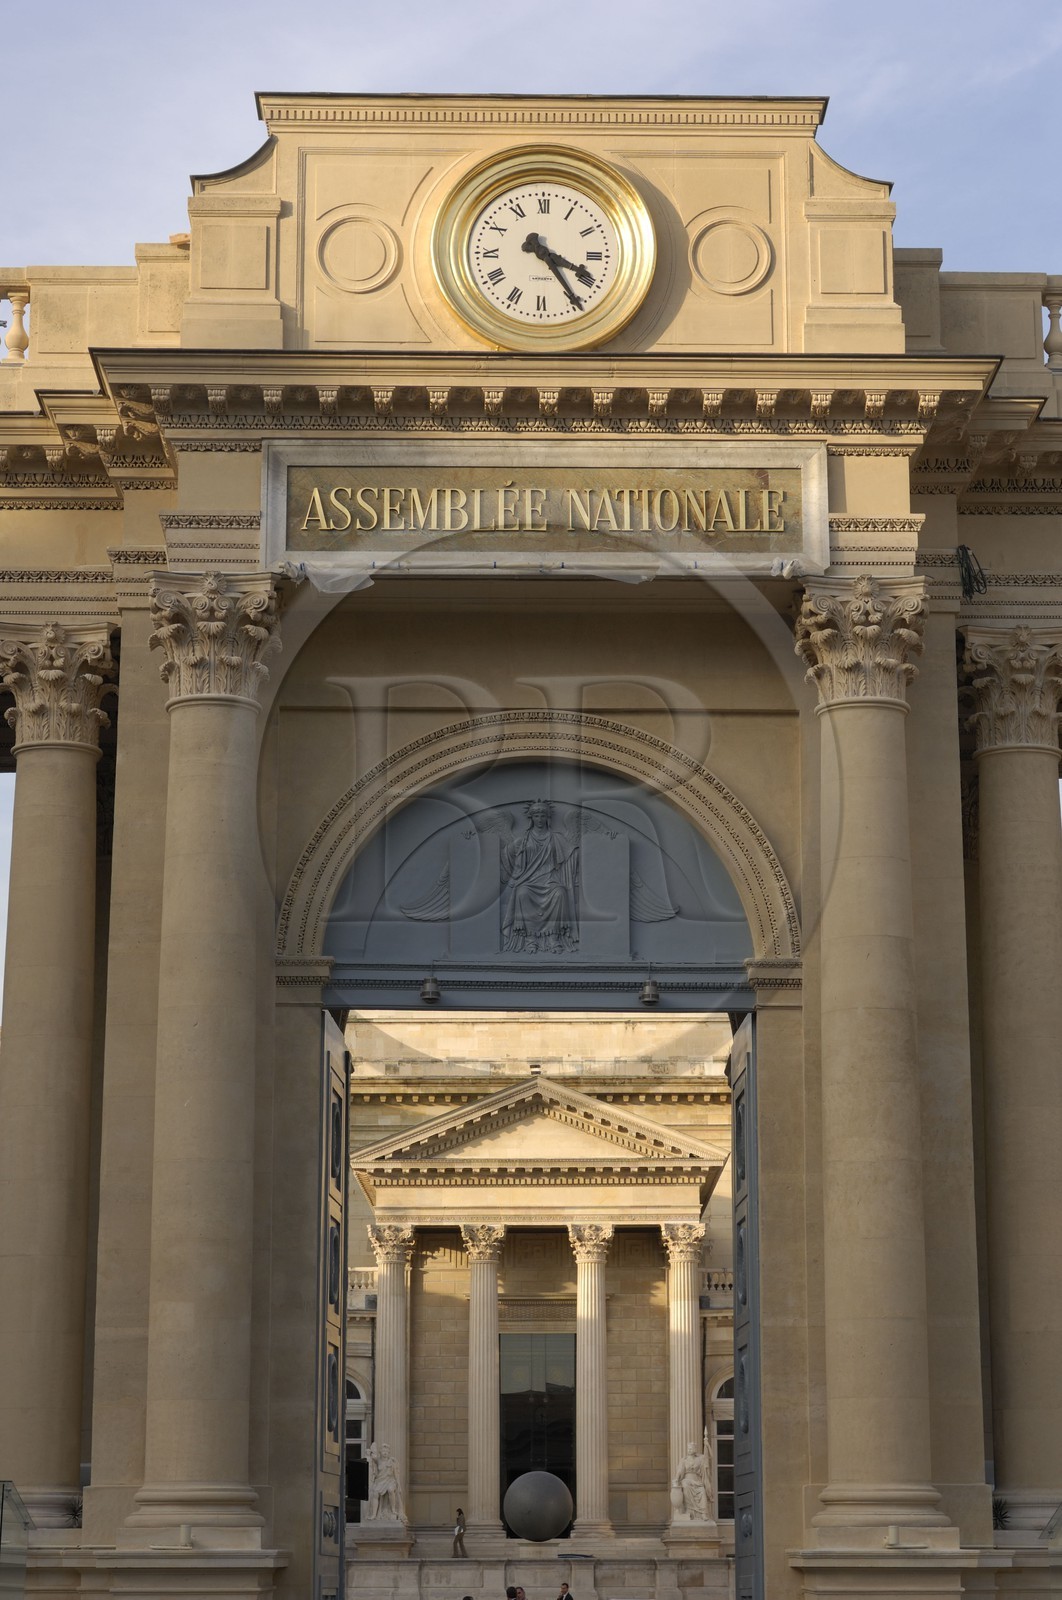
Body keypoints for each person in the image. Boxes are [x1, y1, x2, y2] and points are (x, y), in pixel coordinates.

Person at [672, 1438, 711, 1520]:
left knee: (702, 1491)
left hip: (697, 1481)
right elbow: (680, 1471)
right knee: (685, 1486)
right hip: (687, 1480)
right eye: (688, 1448)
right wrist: (676, 1478)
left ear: (695, 1449)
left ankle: (703, 1513)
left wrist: (707, 1446)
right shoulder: (684, 1460)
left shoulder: (700, 1458)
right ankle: (689, 1512)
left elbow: (710, 1457)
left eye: (691, 1448)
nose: (689, 1450)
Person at [366, 1439, 405, 1521]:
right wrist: (371, 1450)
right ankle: (374, 1514)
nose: (385, 1453)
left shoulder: (392, 1461)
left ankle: (393, 1510)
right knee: (375, 1493)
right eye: (383, 1451)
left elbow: (396, 1475)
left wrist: (399, 1485)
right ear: (380, 1452)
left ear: (389, 1453)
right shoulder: (378, 1460)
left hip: (390, 1480)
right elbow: (372, 1456)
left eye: (387, 1451)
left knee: (390, 1490)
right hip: (380, 1481)